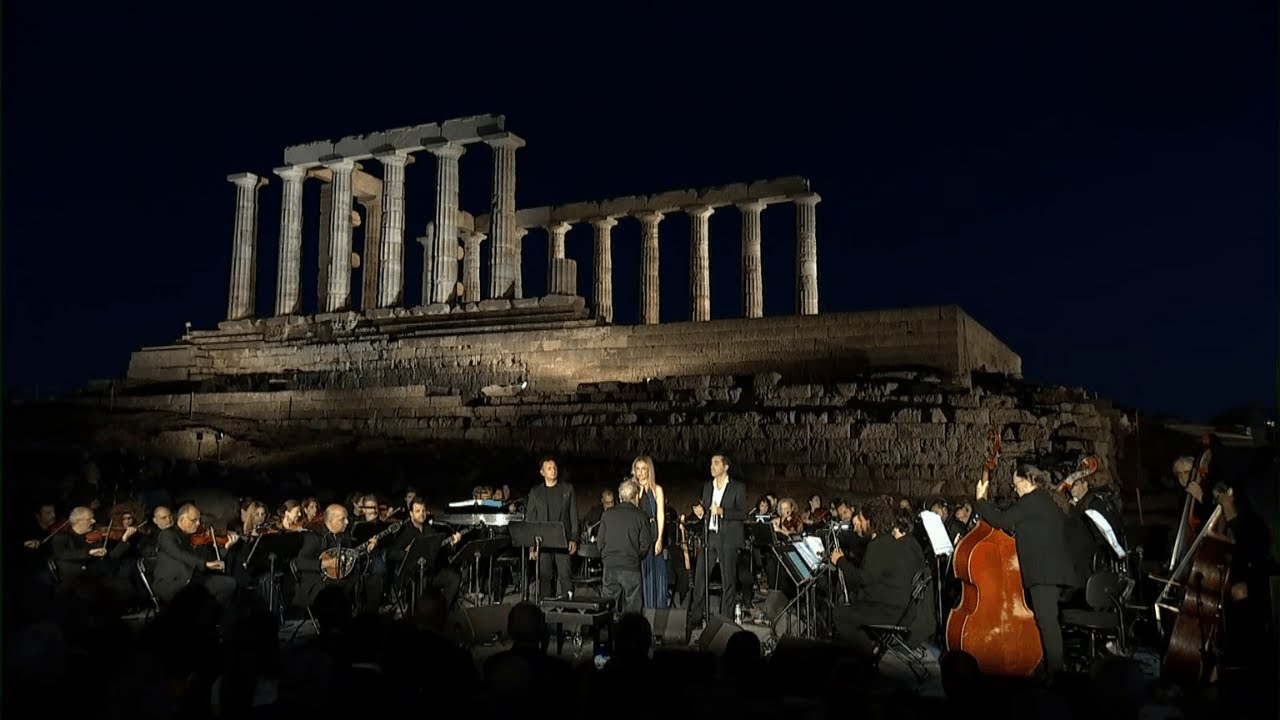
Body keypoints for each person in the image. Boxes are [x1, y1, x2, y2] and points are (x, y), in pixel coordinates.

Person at [973, 463, 1076, 678]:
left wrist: (981, 500)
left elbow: (1002, 520)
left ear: (1027, 481)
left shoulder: (1031, 501)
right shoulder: (1043, 500)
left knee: (1047, 622)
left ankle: (1056, 673)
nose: (1015, 489)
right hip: (1051, 571)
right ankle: (1049, 666)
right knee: (1047, 620)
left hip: (1044, 572)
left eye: (1016, 484)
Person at [830, 496, 927, 656]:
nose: (858, 523)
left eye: (861, 520)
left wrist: (840, 561)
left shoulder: (879, 545)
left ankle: (868, 654)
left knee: (840, 614)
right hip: (899, 606)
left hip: (892, 611)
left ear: (871, 522)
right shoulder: (887, 541)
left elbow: (863, 580)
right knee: (850, 604)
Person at [689, 453, 748, 631]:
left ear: (725, 466)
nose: (712, 466)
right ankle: (696, 617)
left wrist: (723, 512)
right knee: (700, 577)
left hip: (728, 539)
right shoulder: (708, 486)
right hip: (710, 537)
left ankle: (725, 620)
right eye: (711, 463)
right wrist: (701, 513)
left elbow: (743, 513)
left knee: (728, 580)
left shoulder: (737, 487)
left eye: (716, 463)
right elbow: (707, 511)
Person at [152, 503, 238, 605]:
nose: (198, 523)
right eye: (194, 520)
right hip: (172, 584)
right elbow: (180, 554)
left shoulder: (194, 537)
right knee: (226, 586)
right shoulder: (166, 535)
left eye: (199, 520)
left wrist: (226, 547)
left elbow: (210, 560)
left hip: (194, 580)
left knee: (230, 583)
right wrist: (204, 564)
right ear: (182, 520)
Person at [525, 457, 579, 599]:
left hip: (563, 539)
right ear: (542, 472)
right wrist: (531, 546)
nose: (553, 470)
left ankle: (568, 604)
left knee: (565, 575)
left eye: (554, 467)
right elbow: (531, 519)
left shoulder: (567, 489)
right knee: (545, 577)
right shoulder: (536, 492)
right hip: (543, 541)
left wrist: (574, 538)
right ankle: (545, 607)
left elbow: (573, 515)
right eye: (549, 468)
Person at [597, 479, 653, 613]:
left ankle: (608, 626)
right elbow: (645, 544)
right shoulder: (641, 516)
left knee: (608, 607)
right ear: (636, 497)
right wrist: (636, 557)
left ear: (620, 496)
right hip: (631, 565)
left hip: (610, 565)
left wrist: (606, 557)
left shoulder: (607, 514)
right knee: (633, 609)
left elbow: (600, 542)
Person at [632, 455, 667, 608]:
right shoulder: (632, 490)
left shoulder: (657, 489)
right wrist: (639, 492)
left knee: (655, 571)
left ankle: (656, 608)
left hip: (652, 531)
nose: (640, 473)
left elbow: (660, 515)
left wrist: (659, 539)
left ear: (649, 470)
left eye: (643, 469)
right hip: (638, 534)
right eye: (637, 469)